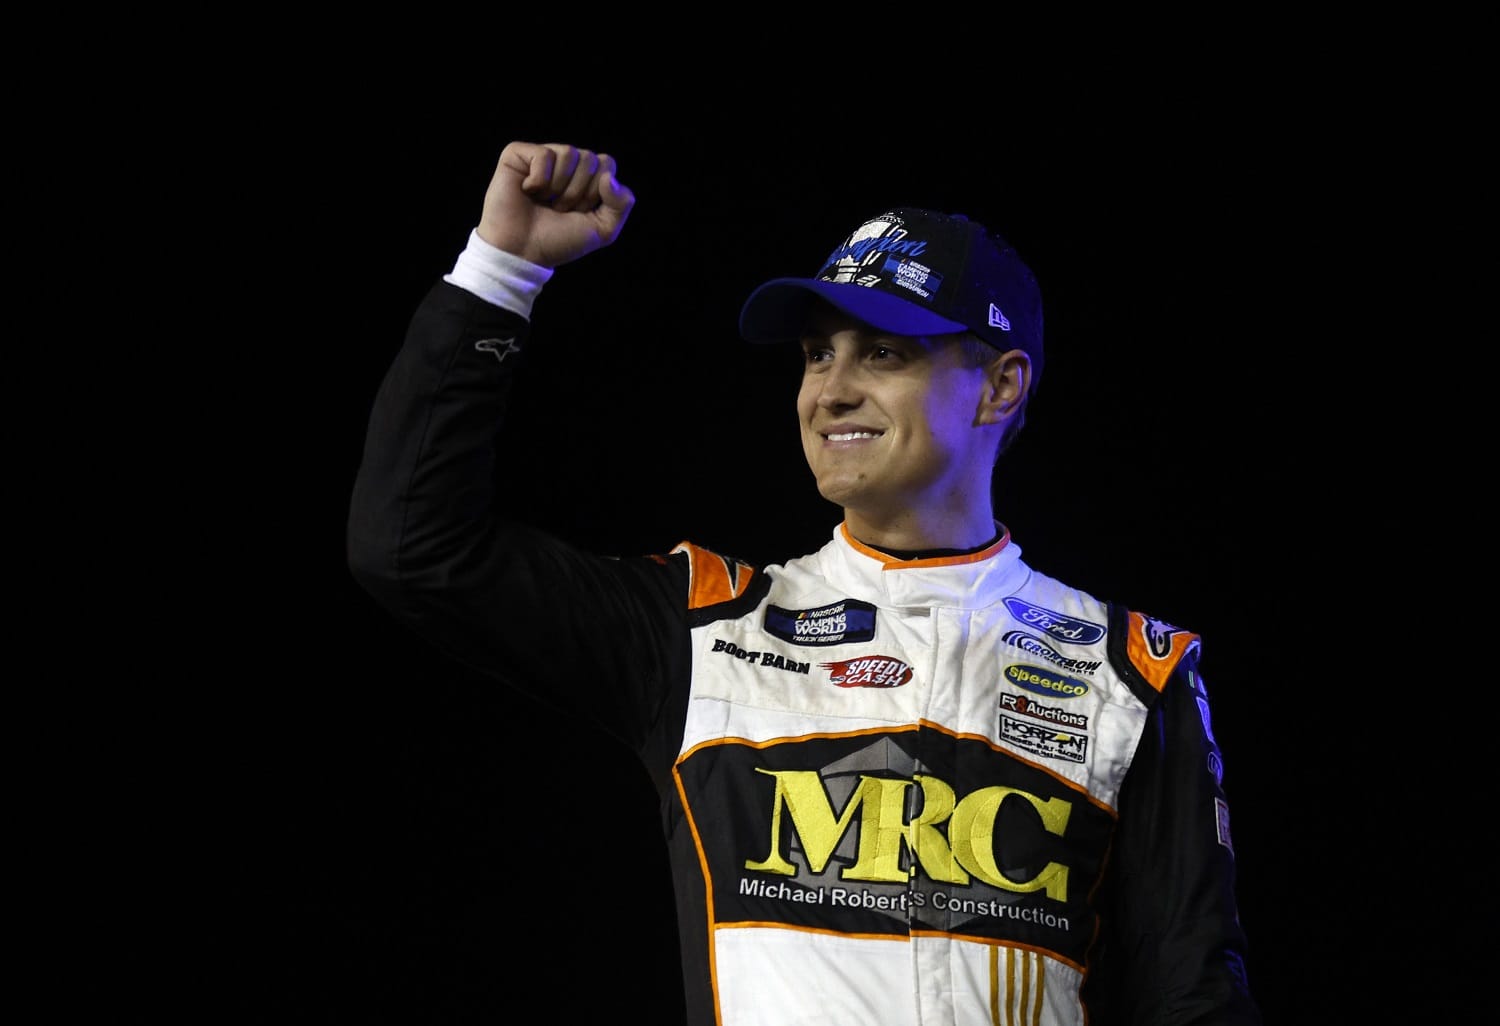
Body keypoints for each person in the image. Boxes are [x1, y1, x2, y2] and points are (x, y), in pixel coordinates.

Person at [347, 140, 1263, 1025]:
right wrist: (502, 268)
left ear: (1000, 387)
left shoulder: (1131, 669)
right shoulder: (704, 627)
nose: (829, 391)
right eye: (817, 354)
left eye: (883, 353)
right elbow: (412, 547)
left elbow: (1193, 995)